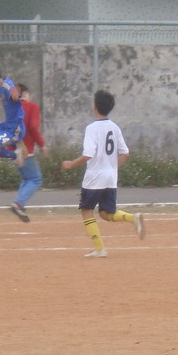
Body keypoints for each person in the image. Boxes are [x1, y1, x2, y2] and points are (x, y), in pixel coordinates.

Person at [61, 89, 145, 257]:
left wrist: (71, 164)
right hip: (110, 178)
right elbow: (125, 153)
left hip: (94, 177)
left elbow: (88, 154)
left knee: (86, 210)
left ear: (95, 107)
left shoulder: (92, 128)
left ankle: (99, 249)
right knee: (106, 213)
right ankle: (132, 218)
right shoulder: (115, 127)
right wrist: (112, 168)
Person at [6, 83, 47, 223]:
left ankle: (20, 204)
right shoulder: (32, 107)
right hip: (26, 150)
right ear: (24, 94)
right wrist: (42, 144)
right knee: (35, 179)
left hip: (13, 150)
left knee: (26, 179)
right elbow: (33, 127)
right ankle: (18, 204)